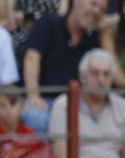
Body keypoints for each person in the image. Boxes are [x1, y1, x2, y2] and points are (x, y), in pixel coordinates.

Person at [48, 49, 125, 158]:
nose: (101, 80)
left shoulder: (124, 107)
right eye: (95, 74)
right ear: (82, 77)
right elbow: (62, 157)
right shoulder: (63, 105)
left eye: (106, 74)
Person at [21, 0, 103, 134]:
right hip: (43, 101)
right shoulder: (49, 23)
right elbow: (32, 57)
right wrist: (33, 94)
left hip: (74, 105)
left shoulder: (94, 41)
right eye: (93, 4)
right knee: (36, 117)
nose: (96, 11)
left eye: (102, 9)